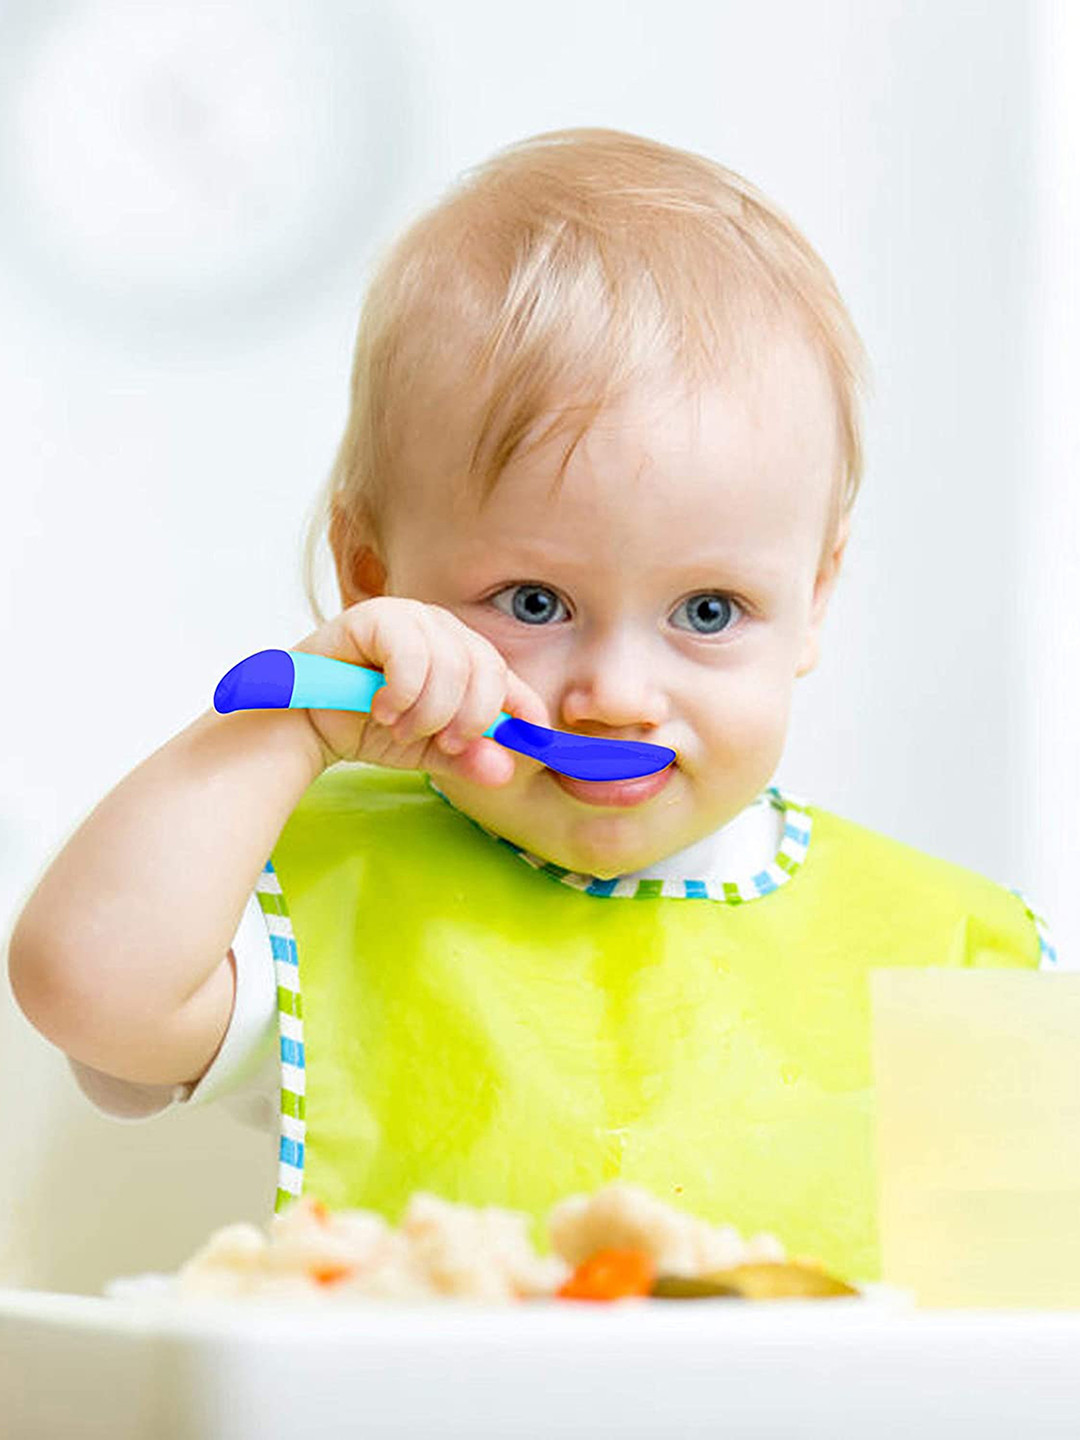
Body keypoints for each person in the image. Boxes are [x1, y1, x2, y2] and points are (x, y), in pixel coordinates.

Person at [6, 128, 1056, 1282]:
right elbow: (82, 989)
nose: (615, 694)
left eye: (708, 611)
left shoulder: (951, 958)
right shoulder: (319, 894)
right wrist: (294, 724)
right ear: (373, 578)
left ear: (813, 600)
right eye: (536, 601)